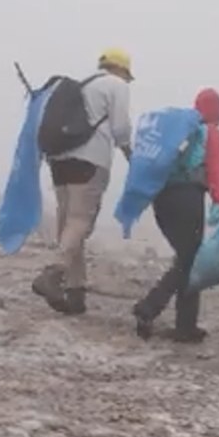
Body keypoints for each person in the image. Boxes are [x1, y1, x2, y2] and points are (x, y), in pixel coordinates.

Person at [31, 48, 133, 316]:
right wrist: (131, 155)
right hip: (90, 161)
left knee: (68, 223)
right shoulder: (116, 85)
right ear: (121, 69)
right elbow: (121, 129)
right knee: (79, 222)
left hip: (60, 159)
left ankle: (75, 293)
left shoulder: (82, 85)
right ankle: (53, 273)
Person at [131, 88, 219, 343]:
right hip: (187, 198)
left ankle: (186, 325)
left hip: (161, 197)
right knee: (190, 261)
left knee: (187, 259)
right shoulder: (209, 133)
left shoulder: (179, 132)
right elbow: (216, 171)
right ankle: (149, 307)